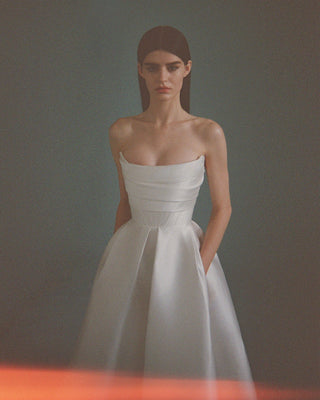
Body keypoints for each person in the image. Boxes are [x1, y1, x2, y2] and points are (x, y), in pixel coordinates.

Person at [70, 25, 256, 399]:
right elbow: (125, 201)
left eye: (172, 67)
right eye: (152, 68)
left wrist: (198, 267)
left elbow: (224, 207)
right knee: (125, 353)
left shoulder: (208, 133)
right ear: (140, 70)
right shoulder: (121, 131)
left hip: (185, 254)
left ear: (187, 68)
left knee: (179, 350)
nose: (163, 77)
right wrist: (113, 264)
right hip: (130, 251)